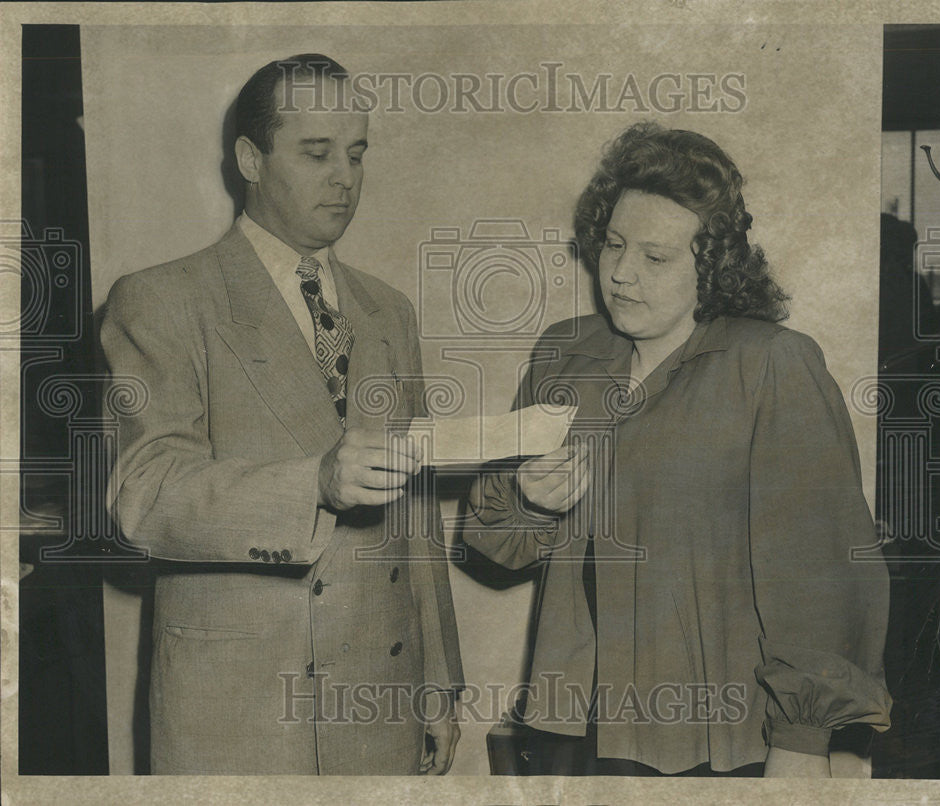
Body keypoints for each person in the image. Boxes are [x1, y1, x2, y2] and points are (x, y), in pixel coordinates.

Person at [465, 123, 892, 777]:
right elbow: (495, 548)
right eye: (612, 245)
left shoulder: (771, 364)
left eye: (656, 258)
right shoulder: (563, 354)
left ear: (712, 264)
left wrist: (802, 747)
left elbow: (821, 577)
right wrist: (527, 499)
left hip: (715, 740)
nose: (622, 273)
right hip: (570, 730)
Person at [101, 54, 463, 775]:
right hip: (240, 715)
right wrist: (315, 484)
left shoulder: (388, 312)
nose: (345, 177)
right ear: (250, 159)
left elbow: (415, 518)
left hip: (380, 707)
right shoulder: (163, 299)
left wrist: (439, 684)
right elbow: (143, 497)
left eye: (356, 154)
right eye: (316, 152)